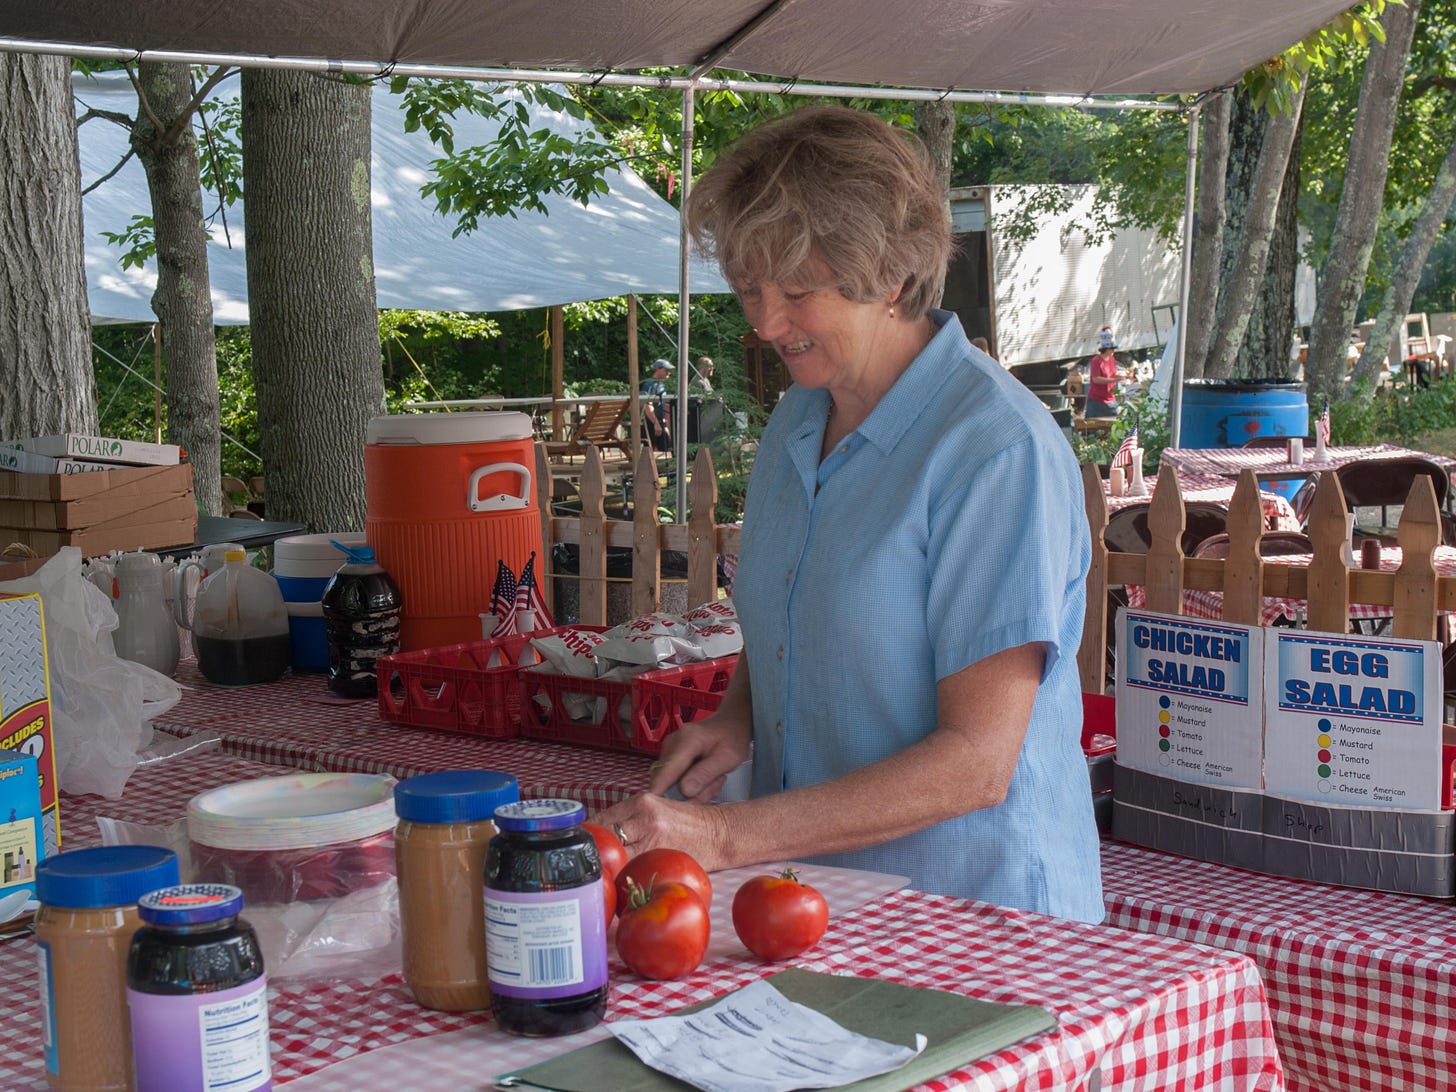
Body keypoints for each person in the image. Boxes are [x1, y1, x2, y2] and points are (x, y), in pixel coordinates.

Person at [597, 105, 1102, 924]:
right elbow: (795, 612)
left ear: (890, 278)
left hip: (978, 918)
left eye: (798, 291)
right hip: (822, 896)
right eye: (749, 289)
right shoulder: (802, 417)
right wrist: (738, 719)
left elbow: (977, 762)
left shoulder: (995, 449)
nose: (764, 322)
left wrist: (724, 837)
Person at [1084, 326, 1132, 418]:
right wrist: (1113, 380)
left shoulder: (1112, 359)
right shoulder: (1096, 361)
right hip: (1097, 399)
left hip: (1109, 397)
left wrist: (1123, 376)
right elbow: (1096, 379)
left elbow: (1112, 375)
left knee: (1116, 418)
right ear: (1107, 350)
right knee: (1094, 424)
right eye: (1112, 349)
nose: (1113, 351)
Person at [640, 358, 673, 451]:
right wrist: (656, 423)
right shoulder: (649, 384)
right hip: (650, 422)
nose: (669, 372)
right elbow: (647, 406)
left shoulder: (661, 384)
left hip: (660, 421)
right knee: (648, 451)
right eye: (666, 370)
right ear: (658, 369)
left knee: (667, 447)